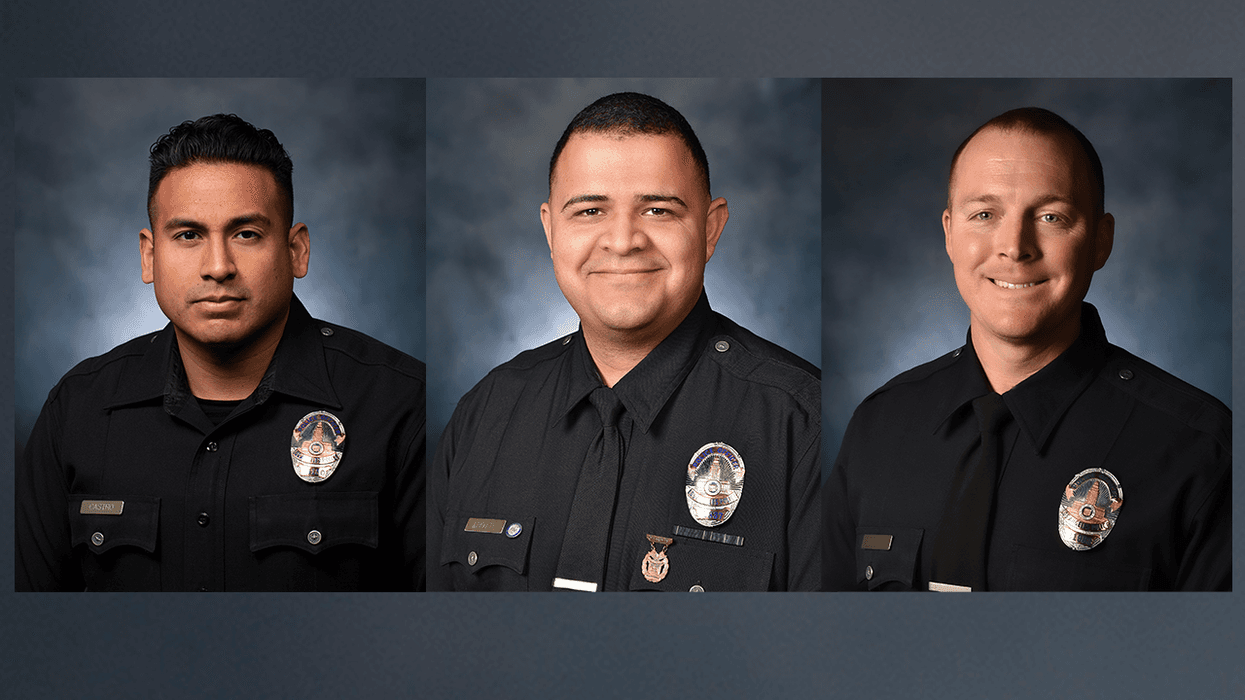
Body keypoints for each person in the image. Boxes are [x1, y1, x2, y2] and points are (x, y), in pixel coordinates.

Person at [823, 107, 1230, 591]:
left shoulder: (1201, 450)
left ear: (1101, 242)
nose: (1015, 247)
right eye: (985, 214)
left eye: (1051, 216)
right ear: (950, 233)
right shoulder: (880, 427)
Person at [16, 114, 426, 591]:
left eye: (246, 233)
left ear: (296, 251)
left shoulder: (400, 405)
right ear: (150, 256)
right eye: (188, 235)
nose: (218, 267)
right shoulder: (78, 409)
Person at [429, 92, 820, 591]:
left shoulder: (802, 425)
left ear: (711, 228)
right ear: (550, 230)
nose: (622, 240)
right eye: (590, 211)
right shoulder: (483, 414)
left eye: (658, 210)